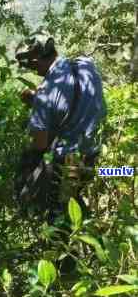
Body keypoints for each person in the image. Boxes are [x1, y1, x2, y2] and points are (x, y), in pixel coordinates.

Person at [15, 33, 107, 224]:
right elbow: (75, 99)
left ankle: (76, 248)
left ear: (36, 60)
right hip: (93, 153)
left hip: (70, 162)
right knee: (76, 199)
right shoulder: (86, 65)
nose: (32, 70)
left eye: (30, 65)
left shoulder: (45, 93)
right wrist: (38, 99)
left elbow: (40, 144)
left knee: (62, 217)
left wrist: (38, 103)